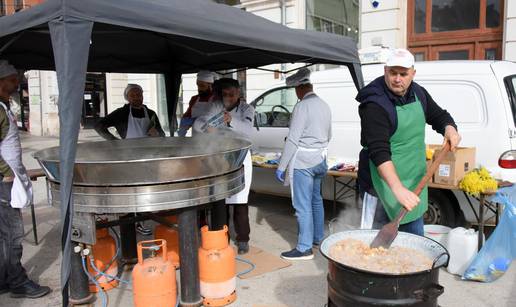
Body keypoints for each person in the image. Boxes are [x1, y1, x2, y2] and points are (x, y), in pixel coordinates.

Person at [357, 49, 461, 236]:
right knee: (374, 254)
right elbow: (379, 152)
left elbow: (439, 115)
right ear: (385, 70)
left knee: (413, 248)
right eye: (393, 73)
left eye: (403, 74)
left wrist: (449, 128)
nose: (398, 79)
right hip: (381, 187)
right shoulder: (374, 103)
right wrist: (397, 189)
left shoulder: (418, 93)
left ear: (413, 73)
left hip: (414, 182)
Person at [0, 60, 51, 298]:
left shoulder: (5, 105)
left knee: (4, 234)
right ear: (1, 82)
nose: (17, 81)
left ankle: (4, 279)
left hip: (8, 179)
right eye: (12, 78)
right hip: (4, 183)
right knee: (13, 233)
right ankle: (19, 283)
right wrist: (6, 171)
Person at [275, 68, 331, 261]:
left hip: (304, 162)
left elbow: (292, 139)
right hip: (320, 160)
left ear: (299, 89)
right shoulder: (324, 105)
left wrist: (281, 166)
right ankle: (318, 238)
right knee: (316, 200)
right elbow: (329, 135)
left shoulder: (301, 107)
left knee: (302, 205)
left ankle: (304, 248)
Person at [193, 78, 254, 254]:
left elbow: (247, 130)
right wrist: (206, 127)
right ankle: (222, 238)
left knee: (240, 201)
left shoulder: (246, 109)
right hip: (220, 157)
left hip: (240, 157)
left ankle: (243, 239)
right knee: (221, 200)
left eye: (232, 94)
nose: (228, 97)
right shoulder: (215, 106)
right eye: (225, 94)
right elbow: (199, 122)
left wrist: (230, 121)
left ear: (239, 94)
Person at [95, 83, 165, 235]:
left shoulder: (151, 113)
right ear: (127, 97)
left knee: (146, 191)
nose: (136, 97)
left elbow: (162, 136)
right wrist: (114, 142)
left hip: (148, 157)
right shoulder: (121, 113)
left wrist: (157, 134)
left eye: (138, 94)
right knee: (130, 192)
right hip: (128, 157)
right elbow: (99, 126)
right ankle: (130, 224)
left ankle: (140, 221)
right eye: (132, 95)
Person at [178, 71, 216, 136]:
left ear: (210, 85)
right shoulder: (194, 99)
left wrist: (196, 120)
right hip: (195, 138)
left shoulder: (216, 100)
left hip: (211, 139)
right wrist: (183, 124)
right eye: (197, 85)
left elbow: (218, 120)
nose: (199, 89)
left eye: (202, 86)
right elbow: (188, 115)